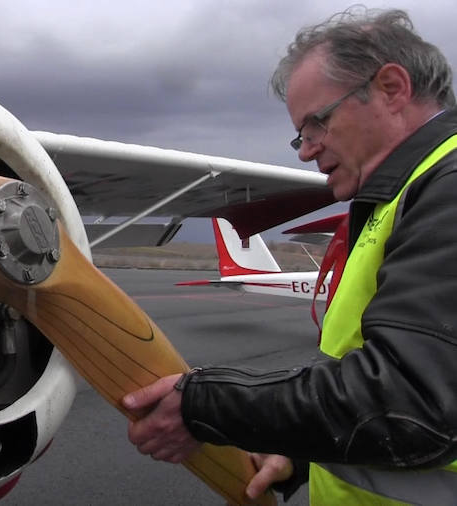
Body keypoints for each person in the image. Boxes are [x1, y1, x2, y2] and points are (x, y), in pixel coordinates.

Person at [122, 6, 457, 504]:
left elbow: (411, 404)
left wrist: (200, 404)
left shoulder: (446, 192)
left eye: (317, 124)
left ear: (391, 89)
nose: (305, 150)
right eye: (301, 134)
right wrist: (301, 452)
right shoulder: (405, 196)